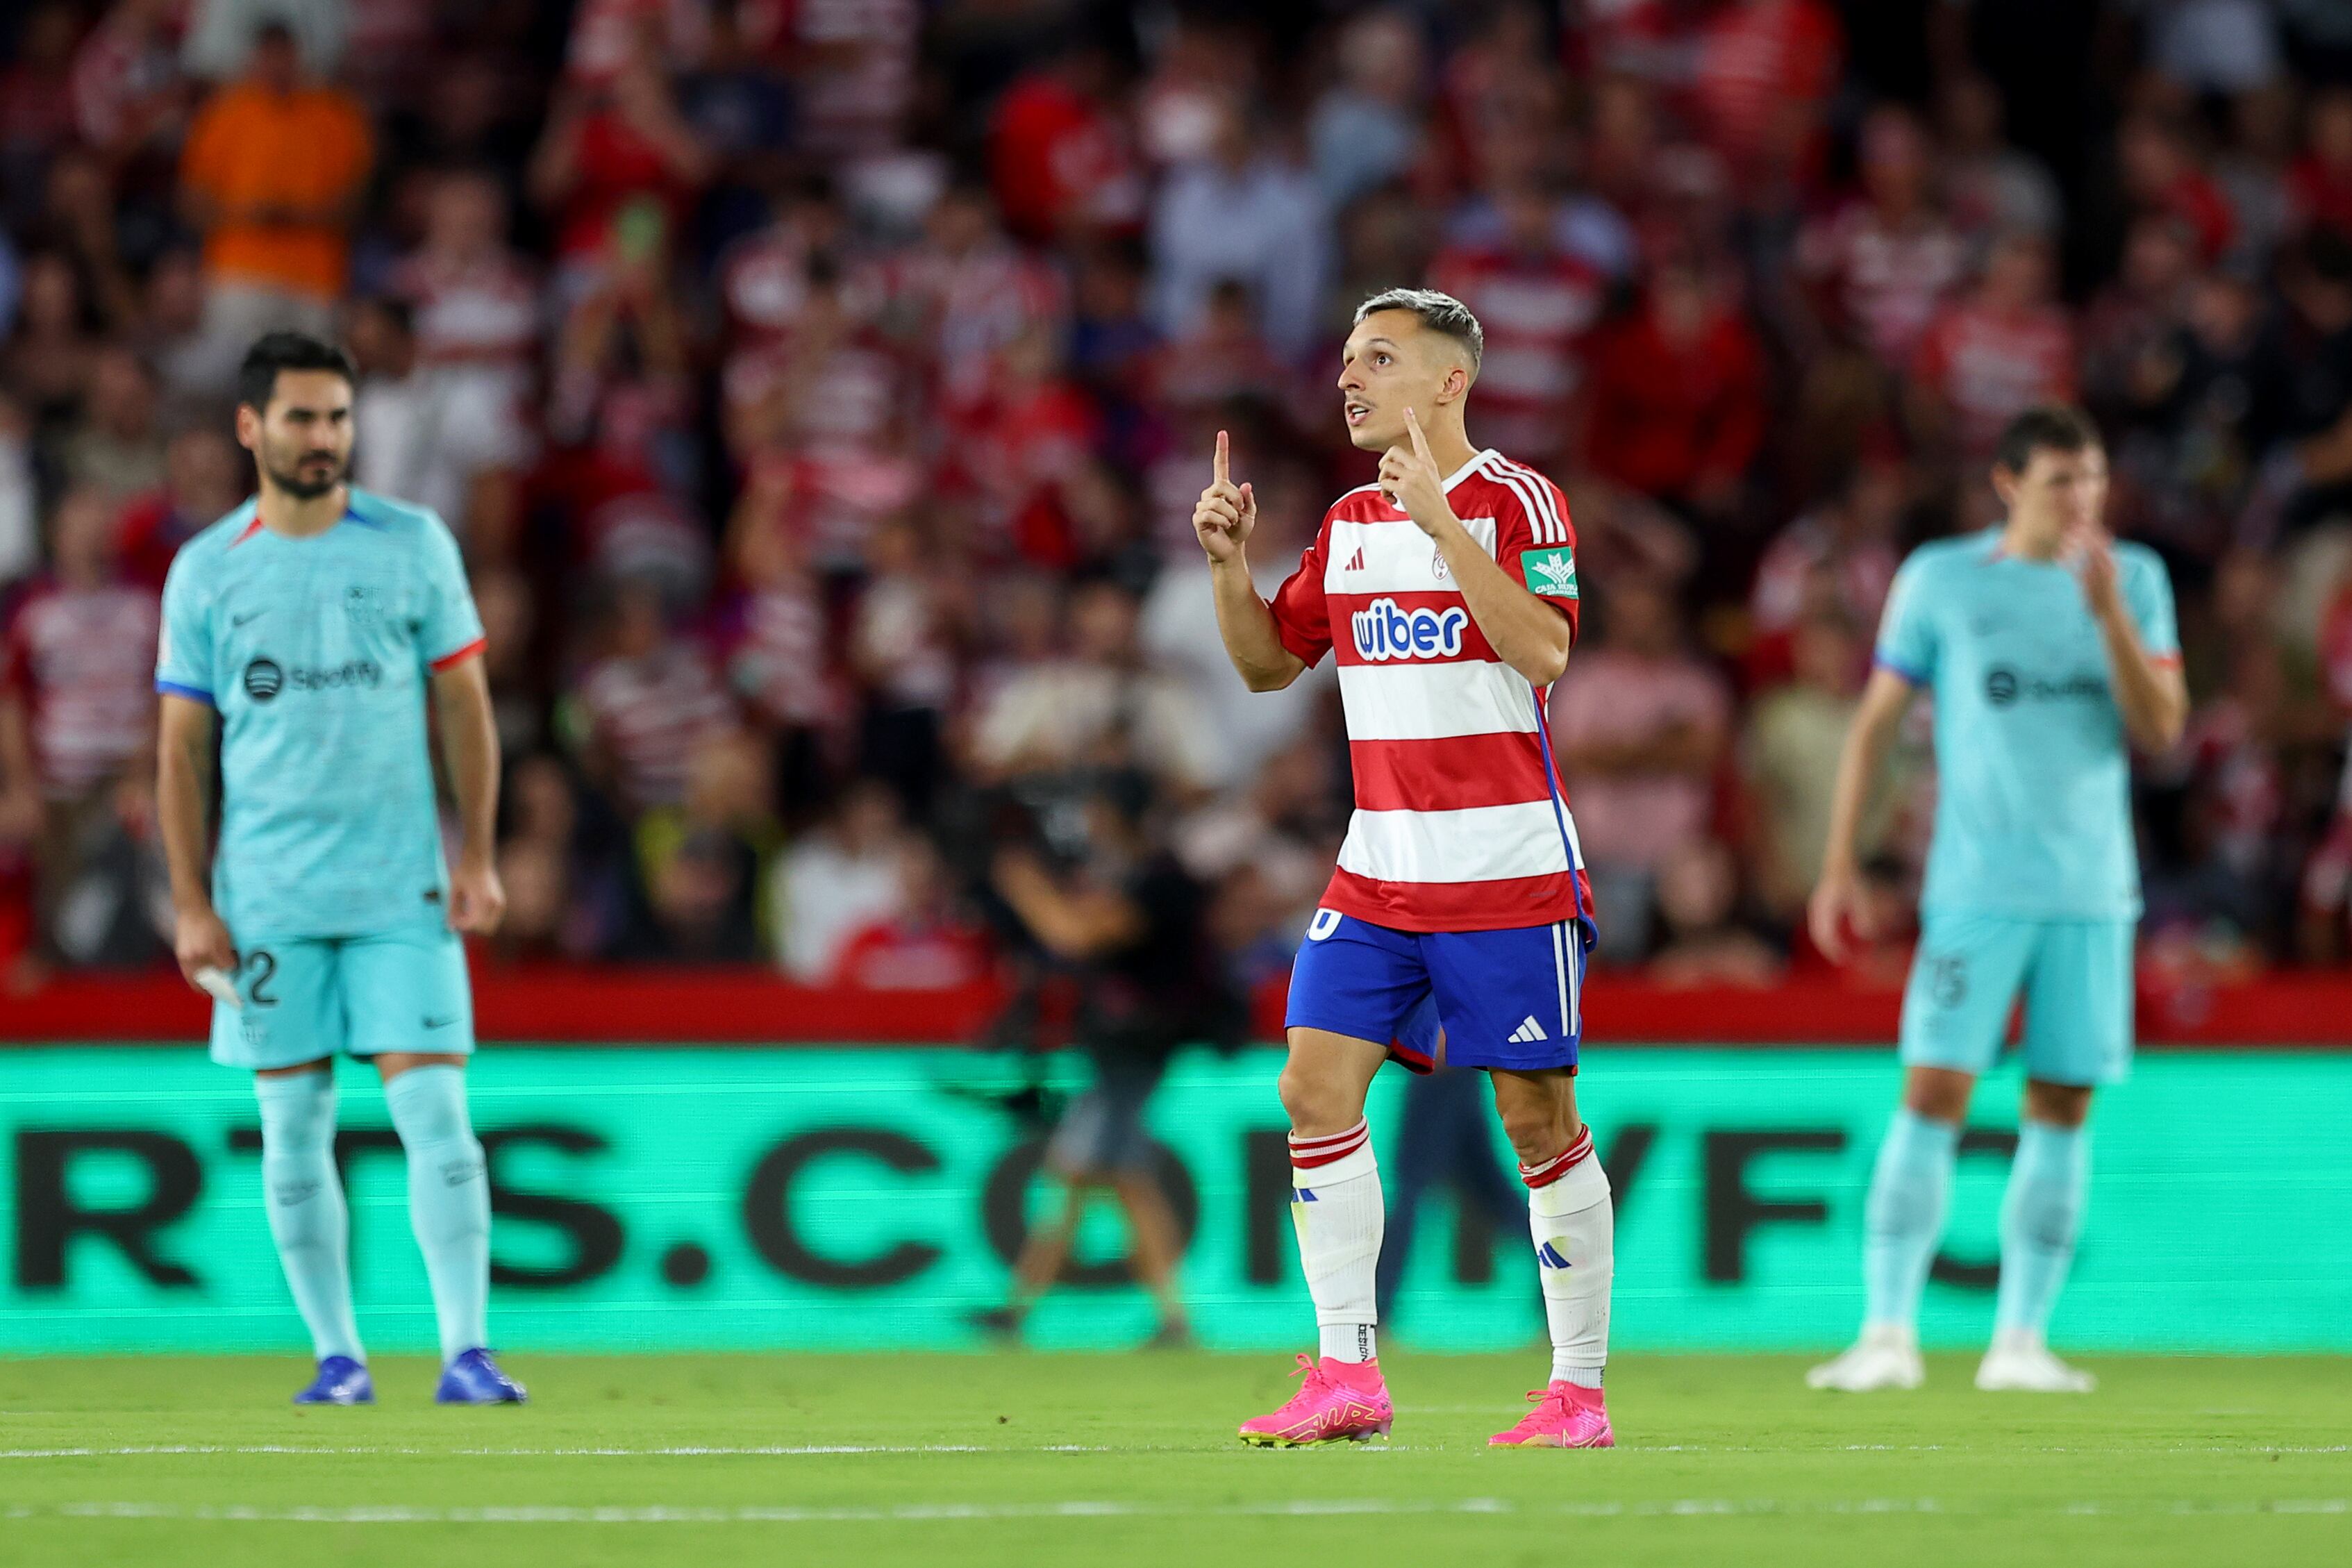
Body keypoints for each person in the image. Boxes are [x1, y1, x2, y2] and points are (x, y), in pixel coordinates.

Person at [1196, 287, 1612, 1449]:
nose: (1351, 378)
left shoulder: (1519, 498)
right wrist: (1230, 566)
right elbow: (1268, 667)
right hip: (1377, 870)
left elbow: (1544, 650)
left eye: (1379, 359)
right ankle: (1347, 1373)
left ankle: (1577, 1390)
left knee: (1536, 1122)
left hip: (1508, 871)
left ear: (1449, 381)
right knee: (1311, 1089)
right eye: (1345, 359)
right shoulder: (1343, 522)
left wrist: (1444, 523)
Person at [153, 332, 524, 1406]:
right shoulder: (206, 570)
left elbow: (467, 704)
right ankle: (339, 1356)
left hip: (401, 890)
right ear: (250, 426)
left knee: (437, 1119)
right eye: (304, 417)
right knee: (293, 1128)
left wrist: (483, 854)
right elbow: (180, 748)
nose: (325, 439)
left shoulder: (413, 544)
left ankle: (467, 1351)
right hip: (266, 901)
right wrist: (190, 902)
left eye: (339, 418)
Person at [1805, 406, 2186, 1394]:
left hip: (2093, 890)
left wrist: (2105, 615)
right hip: (1974, 888)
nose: (2084, 499)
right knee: (1932, 1092)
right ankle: (1886, 1331)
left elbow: (2164, 728)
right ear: (2010, 484)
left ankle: (2020, 1342)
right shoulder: (1939, 579)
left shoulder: (2134, 579)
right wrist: (1840, 861)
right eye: (2064, 480)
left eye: (2095, 479)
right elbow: (1877, 724)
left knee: (2061, 1102)